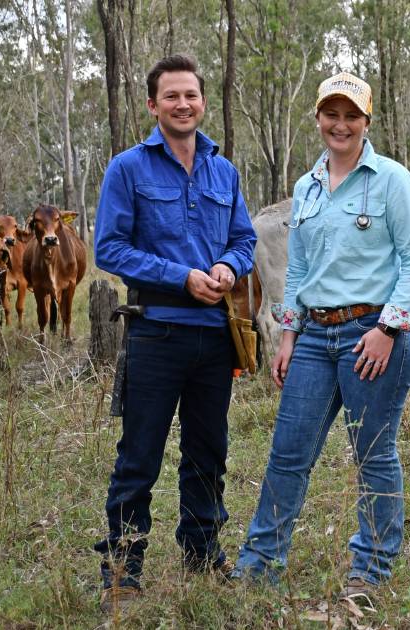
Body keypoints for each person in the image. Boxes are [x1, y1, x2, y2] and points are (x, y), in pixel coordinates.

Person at [233, 72, 410, 603]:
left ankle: (371, 567)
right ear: (319, 118)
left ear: (367, 122)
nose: (340, 125)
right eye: (331, 114)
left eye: (351, 115)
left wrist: (389, 329)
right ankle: (258, 565)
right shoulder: (308, 186)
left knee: (373, 451)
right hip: (316, 337)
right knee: (288, 451)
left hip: (374, 333)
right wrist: (288, 337)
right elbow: (298, 269)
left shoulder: (391, 180)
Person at [92, 54, 256, 612]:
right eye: (171, 97)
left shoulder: (223, 170)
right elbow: (109, 250)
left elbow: (244, 239)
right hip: (155, 333)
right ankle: (123, 567)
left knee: (208, 452)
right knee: (139, 455)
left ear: (202, 101)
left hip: (215, 339)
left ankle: (203, 553)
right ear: (152, 105)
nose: (183, 104)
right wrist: (180, 277)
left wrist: (228, 268)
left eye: (191, 95)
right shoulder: (128, 169)